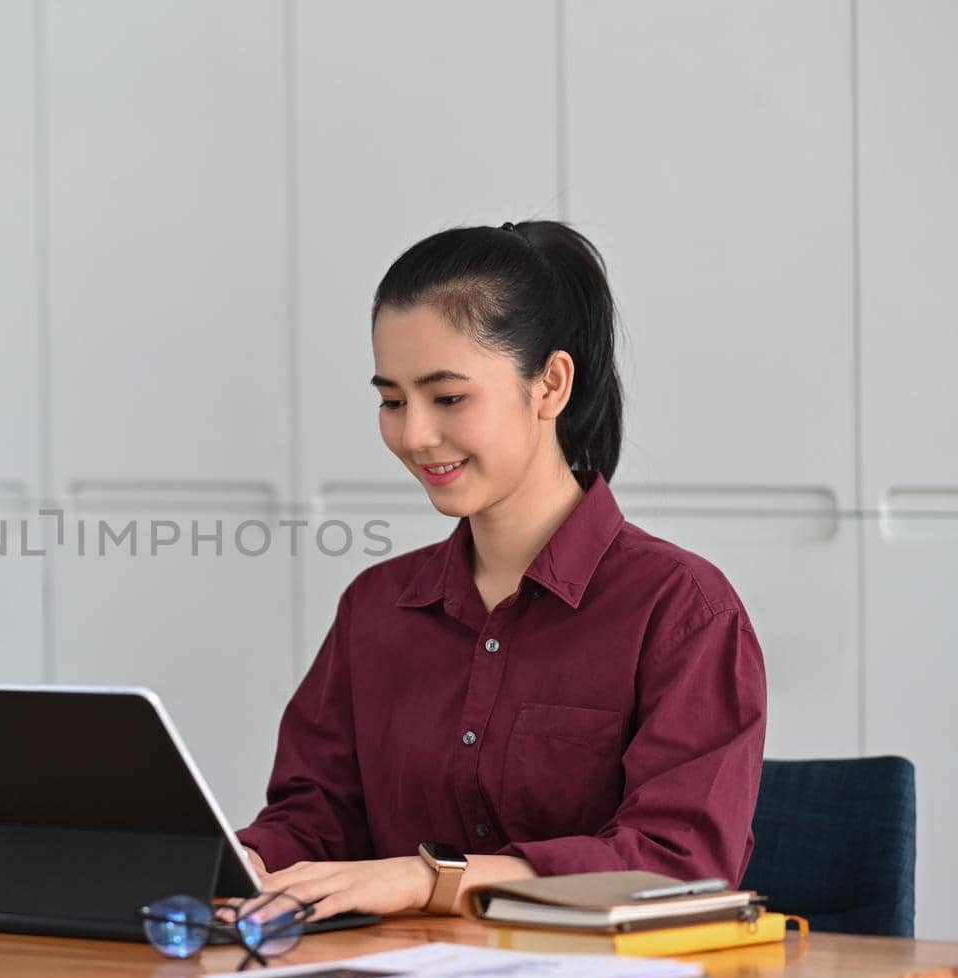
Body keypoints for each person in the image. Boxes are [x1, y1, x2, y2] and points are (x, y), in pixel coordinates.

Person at [234, 220, 767, 922]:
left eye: (448, 397)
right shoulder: (376, 608)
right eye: (392, 401)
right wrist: (247, 859)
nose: (414, 434)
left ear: (550, 384)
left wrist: (433, 881)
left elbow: (678, 866)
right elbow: (315, 821)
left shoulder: (683, 610)